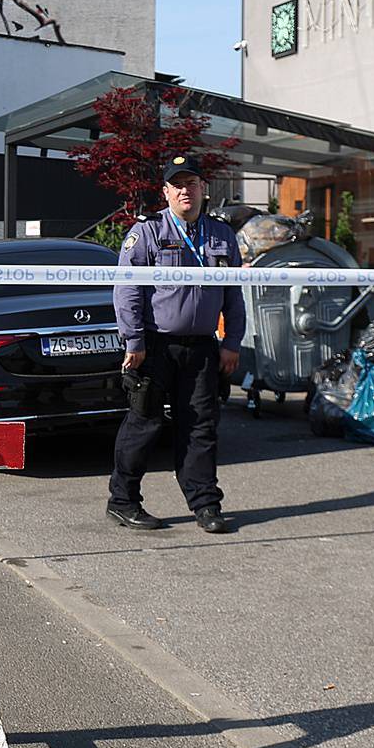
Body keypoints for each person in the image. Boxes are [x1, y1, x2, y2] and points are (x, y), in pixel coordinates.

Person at [108, 154, 246, 534]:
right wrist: (134, 341)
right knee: (144, 423)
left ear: (204, 188)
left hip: (203, 347)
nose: (186, 190)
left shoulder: (221, 236)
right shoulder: (148, 232)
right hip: (155, 347)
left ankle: (205, 504)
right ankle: (123, 501)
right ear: (166, 191)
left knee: (200, 427)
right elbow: (128, 290)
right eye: (178, 184)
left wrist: (232, 340)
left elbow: (233, 293)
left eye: (193, 183)